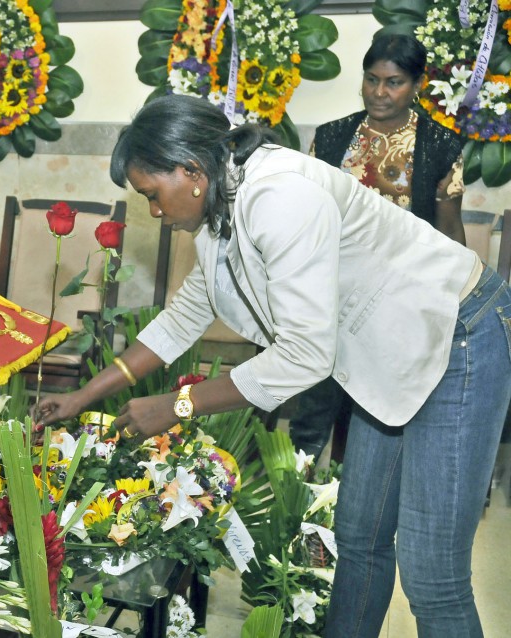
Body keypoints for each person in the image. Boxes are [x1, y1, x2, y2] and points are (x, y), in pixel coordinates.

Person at [33, 94, 510, 637]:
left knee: (431, 572)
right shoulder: (219, 203)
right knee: (359, 540)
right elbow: (188, 312)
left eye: (152, 195)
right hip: (389, 354)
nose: (155, 212)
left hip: (457, 333)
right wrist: (83, 397)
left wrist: (178, 405)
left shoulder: (280, 195)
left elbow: (304, 355)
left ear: (191, 170)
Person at [288, 32, 468, 463]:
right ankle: (293, 502)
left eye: (394, 82)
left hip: (396, 302)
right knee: (313, 408)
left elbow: (448, 234)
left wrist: (454, 297)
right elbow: (308, 218)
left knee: (369, 417)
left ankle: (348, 510)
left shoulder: (441, 147)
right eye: (372, 79)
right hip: (330, 293)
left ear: (417, 84)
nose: (380, 92)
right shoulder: (331, 139)